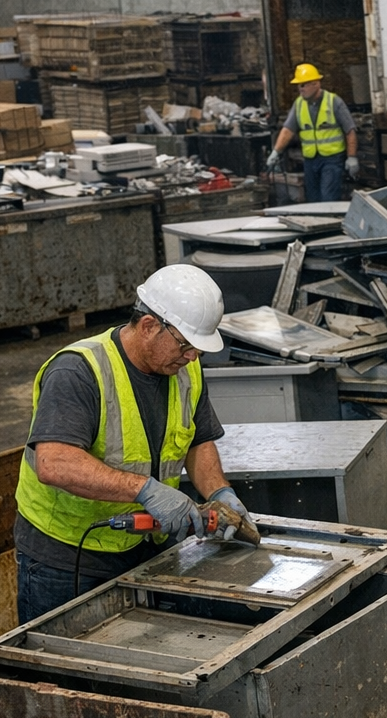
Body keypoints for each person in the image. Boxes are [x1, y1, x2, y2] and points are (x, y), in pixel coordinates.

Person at [13, 265, 249, 623]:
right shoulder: (78, 371)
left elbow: (197, 441)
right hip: (66, 558)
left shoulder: (186, 369)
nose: (192, 357)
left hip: (143, 549)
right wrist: (146, 491)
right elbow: (54, 463)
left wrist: (220, 492)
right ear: (149, 326)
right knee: (61, 670)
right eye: (186, 345)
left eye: (198, 349)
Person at [266, 63, 359, 203]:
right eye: (298, 86)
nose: (300, 89)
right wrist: (276, 152)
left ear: (316, 84)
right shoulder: (299, 104)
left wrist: (351, 157)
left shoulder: (334, 102)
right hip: (311, 160)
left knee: (328, 197)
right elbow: (288, 130)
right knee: (313, 199)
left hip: (332, 159)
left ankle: (329, 223)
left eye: (303, 85)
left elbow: (350, 130)